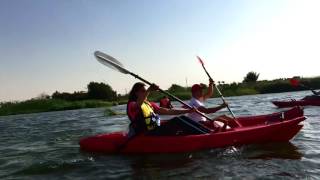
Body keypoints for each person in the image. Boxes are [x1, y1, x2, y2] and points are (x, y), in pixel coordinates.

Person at [127, 82, 206, 137]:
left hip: (155, 130)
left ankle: (206, 131)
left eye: (146, 91)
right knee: (178, 121)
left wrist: (188, 111)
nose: (146, 93)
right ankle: (205, 135)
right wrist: (149, 90)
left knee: (183, 118)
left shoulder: (149, 104)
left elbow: (169, 111)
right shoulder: (132, 104)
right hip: (146, 133)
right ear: (136, 93)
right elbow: (138, 104)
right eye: (143, 91)